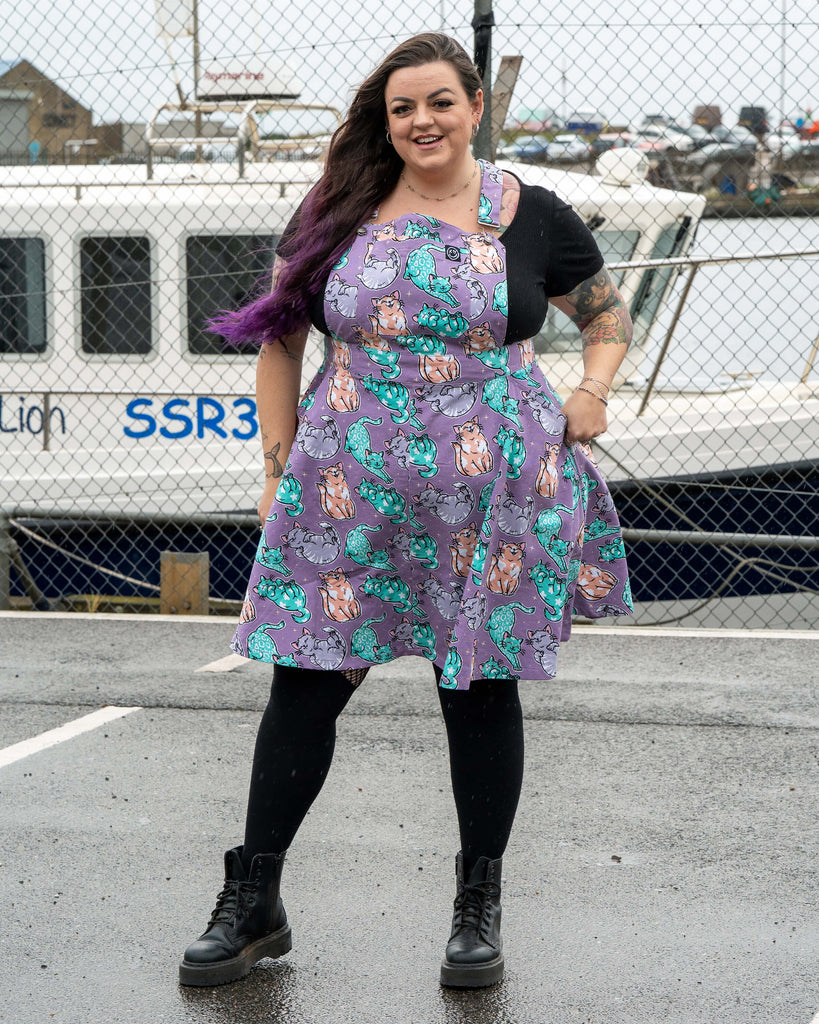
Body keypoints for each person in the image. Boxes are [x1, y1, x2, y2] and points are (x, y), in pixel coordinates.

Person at [179, 32, 632, 990]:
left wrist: (592, 389)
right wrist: (276, 468)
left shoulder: (531, 213)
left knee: (477, 686)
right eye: (402, 109)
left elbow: (604, 314)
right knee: (306, 677)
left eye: (438, 103)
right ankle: (254, 902)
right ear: (383, 123)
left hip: (492, 491)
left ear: (474, 107)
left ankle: (476, 910)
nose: (421, 121)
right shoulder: (336, 209)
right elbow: (279, 343)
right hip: (346, 484)